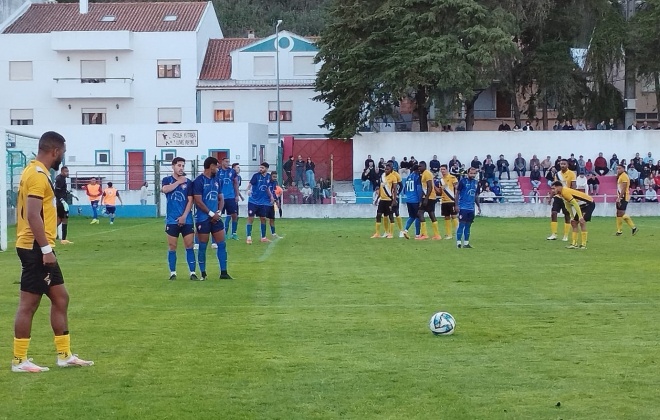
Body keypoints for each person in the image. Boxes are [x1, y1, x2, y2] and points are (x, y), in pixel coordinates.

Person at [12, 131, 93, 373]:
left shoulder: (34, 170)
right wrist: (46, 249)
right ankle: (19, 360)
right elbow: (32, 214)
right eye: (63, 153)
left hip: (40, 246)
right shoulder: (37, 176)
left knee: (61, 298)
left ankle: (64, 355)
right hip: (35, 248)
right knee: (29, 303)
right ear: (55, 151)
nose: (63, 158)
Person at [193, 157, 231, 280]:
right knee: (203, 246)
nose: (218, 168)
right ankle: (203, 273)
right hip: (203, 218)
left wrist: (218, 212)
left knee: (222, 244)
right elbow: (198, 201)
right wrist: (210, 213)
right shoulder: (199, 181)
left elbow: (221, 198)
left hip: (216, 217)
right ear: (211, 166)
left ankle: (224, 272)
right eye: (216, 166)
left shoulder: (217, 180)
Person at [161, 157, 197, 281]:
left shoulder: (189, 182)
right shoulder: (167, 180)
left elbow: (190, 200)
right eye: (179, 165)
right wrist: (178, 182)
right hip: (171, 220)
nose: (181, 168)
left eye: (183, 166)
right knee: (172, 246)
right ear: (173, 166)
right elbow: (165, 189)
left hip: (186, 219)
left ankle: (192, 272)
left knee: (189, 245)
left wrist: (184, 216)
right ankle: (173, 273)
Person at [551, 181, 595, 249]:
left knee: (582, 222)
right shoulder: (561, 193)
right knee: (574, 223)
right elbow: (567, 205)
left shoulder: (565, 192)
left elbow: (575, 204)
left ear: (559, 187)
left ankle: (583, 245)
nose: (553, 190)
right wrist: (572, 216)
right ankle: (574, 244)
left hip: (589, 204)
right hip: (581, 206)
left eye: (554, 188)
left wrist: (580, 216)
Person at [245, 162, 275, 244]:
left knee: (263, 219)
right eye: (260, 167)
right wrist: (248, 190)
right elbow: (250, 184)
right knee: (251, 218)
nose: (260, 169)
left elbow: (267, 188)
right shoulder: (256, 176)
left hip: (262, 203)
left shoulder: (269, 177)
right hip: (253, 201)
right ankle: (248, 237)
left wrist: (271, 196)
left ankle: (263, 237)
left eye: (262, 168)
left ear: (266, 169)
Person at [547, 159, 575, 241]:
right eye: (561, 164)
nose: (562, 165)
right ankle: (554, 234)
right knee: (554, 213)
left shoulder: (572, 174)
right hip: (558, 197)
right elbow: (555, 187)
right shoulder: (557, 174)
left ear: (567, 165)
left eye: (564, 164)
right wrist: (551, 197)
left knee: (566, 215)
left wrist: (572, 197)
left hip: (566, 197)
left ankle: (565, 235)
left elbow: (573, 186)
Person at [455, 167, 481, 248]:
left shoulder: (477, 183)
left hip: (471, 208)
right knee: (461, 225)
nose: (473, 175)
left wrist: (478, 206)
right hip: (463, 207)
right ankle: (458, 243)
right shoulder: (462, 181)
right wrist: (456, 205)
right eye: (471, 173)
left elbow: (476, 195)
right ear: (467, 173)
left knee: (468, 225)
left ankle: (466, 243)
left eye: (474, 173)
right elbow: (457, 193)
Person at [371, 163, 398, 239]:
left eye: (388, 169)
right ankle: (378, 233)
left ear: (391, 170)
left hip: (389, 200)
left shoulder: (393, 177)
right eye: (385, 169)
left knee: (390, 216)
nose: (386, 170)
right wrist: (377, 198)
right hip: (382, 200)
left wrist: (394, 200)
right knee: (379, 215)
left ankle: (391, 233)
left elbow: (395, 189)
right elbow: (381, 188)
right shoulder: (382, 176)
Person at [416, 161, 441, 240]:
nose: (419, 168)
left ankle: (425, 234)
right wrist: (421, 199)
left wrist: (426, 198)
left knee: (421, 213)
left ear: (424, 166)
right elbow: (424, 188)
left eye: (420, 166)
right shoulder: (423, 174)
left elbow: (430, 187)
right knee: (430, 214)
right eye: (418, 167)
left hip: (429, 197)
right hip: (427, 196)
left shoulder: (427, 173)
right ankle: (436, 235)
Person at [217, 157, 240, 241]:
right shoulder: (218, 171)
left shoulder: (232, 172)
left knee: (234, 215)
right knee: (218, 215)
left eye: (229, 162)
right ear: (222, 162)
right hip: (220, 197)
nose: (228, 163)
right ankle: (221, 233)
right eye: (226, 161)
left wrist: (237, 195)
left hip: (230, 196)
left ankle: (234, 233)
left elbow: (236, 183)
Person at [615, 164, 638, 236]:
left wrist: (619, 198)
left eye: (619, 168)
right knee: (618, 213)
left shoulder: (624, 176)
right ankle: (619, 231)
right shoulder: (621, 176)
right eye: (617, 168)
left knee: (621, 213)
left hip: (624, 197)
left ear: (623, 169)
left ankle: (633, 227)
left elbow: (624, 189)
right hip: (621, 197)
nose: (618, 170)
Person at [437, 164, 458, 239]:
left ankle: (458, 232)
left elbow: (457, 189)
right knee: (446, 217)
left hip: (451, 200)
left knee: (454, 216)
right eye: (441, 169)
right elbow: (440, 191)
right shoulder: (441, 180)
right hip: (444, 201)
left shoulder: (452, 177)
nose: (442, 171)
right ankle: (449, 234)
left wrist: (456, 199)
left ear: (447, 169)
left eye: (443, 169)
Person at [401, 164, 421, 239]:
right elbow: (418, 189)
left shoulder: (408, 177)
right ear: (416, 170)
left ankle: (405, 230)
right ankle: (417, 234)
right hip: (415, 200)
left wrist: (408, 195)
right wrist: (420, 200)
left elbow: (404, 190)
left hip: (408, 200)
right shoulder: (417, 177)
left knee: (412, 216)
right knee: (418, 217)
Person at [54, 166, 73, 245]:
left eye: (68, 171)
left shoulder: (61, 178)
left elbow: (62, 190)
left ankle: (49, 234)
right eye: (66, 171)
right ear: (62, 171)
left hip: (61, 201)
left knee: (59, 219)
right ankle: (64, 239)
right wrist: (62, 200)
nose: (67, 173)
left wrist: (69, 193)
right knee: (64, 218)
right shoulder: (60, 179)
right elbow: (56, 191)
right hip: (61, 202)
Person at [266, 171, 283, 239]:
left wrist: (276, 200)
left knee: (272, 219)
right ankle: (263, 236)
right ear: (271, 176)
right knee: (264, 219)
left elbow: (273, 192)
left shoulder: (275, 183)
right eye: (274, 177)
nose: (275, 178)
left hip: (272, 202)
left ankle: (273, 234)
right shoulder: (267, 182)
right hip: (265, 202)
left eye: (276, 177)